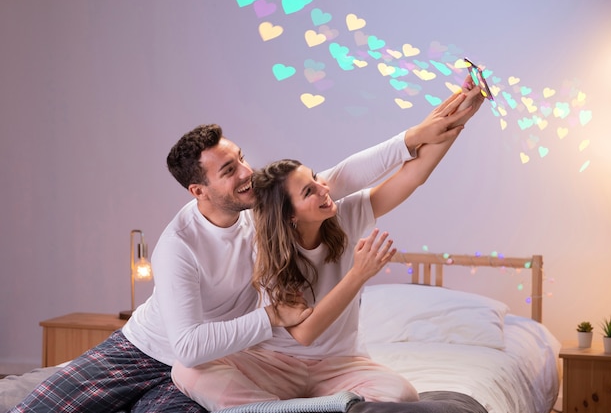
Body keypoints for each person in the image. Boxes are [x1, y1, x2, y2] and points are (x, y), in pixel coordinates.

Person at [10, 77, 482, 412]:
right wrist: (274, 316)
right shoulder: (180, 246)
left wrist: (419, 134)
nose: (246, 174)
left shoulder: (265, 212)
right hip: (156, 350)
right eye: (228, 171)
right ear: (199, 191)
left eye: (240, 159)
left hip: (227, 357)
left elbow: (344, 176)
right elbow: (189, 347)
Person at [170, 88, 483, 410]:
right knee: (187, 370)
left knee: (400, 394)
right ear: (289, 215)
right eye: (309, 190)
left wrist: (458, 121)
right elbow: (304, 334)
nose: (324, 189)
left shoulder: (346, 214)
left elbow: (413, 173)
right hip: (274, 362)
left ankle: (286, 407)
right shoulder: (266, 250)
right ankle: (297, 406)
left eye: (317, 178)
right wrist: (359, 274)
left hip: (340, 364)